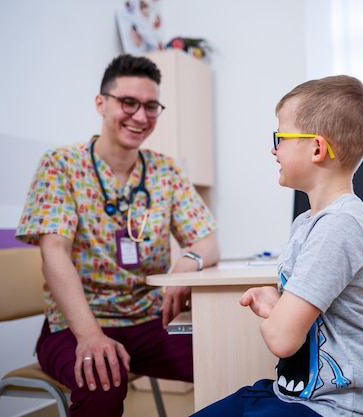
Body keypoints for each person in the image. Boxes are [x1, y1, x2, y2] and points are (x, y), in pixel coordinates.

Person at [16, 54, 220, 417]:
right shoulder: (61, 165)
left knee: (224, 357)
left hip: (149, 319)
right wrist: (90, 335)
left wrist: (188, 264)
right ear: (101, 103)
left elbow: (207, 241)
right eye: (129, 103)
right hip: (77, 323)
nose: (141, 117)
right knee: (101, 382)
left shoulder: (165, 171)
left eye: (151, 106)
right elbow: (54, 254)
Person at [191, 75, 363, 417]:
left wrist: (277, 317)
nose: (274, 149)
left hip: (340, 409)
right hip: (296, 395)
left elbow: (282, 339)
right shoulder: (307, 223)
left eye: (281, 137)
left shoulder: (339, 226)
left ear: (317, 148)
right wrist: (281, 305)